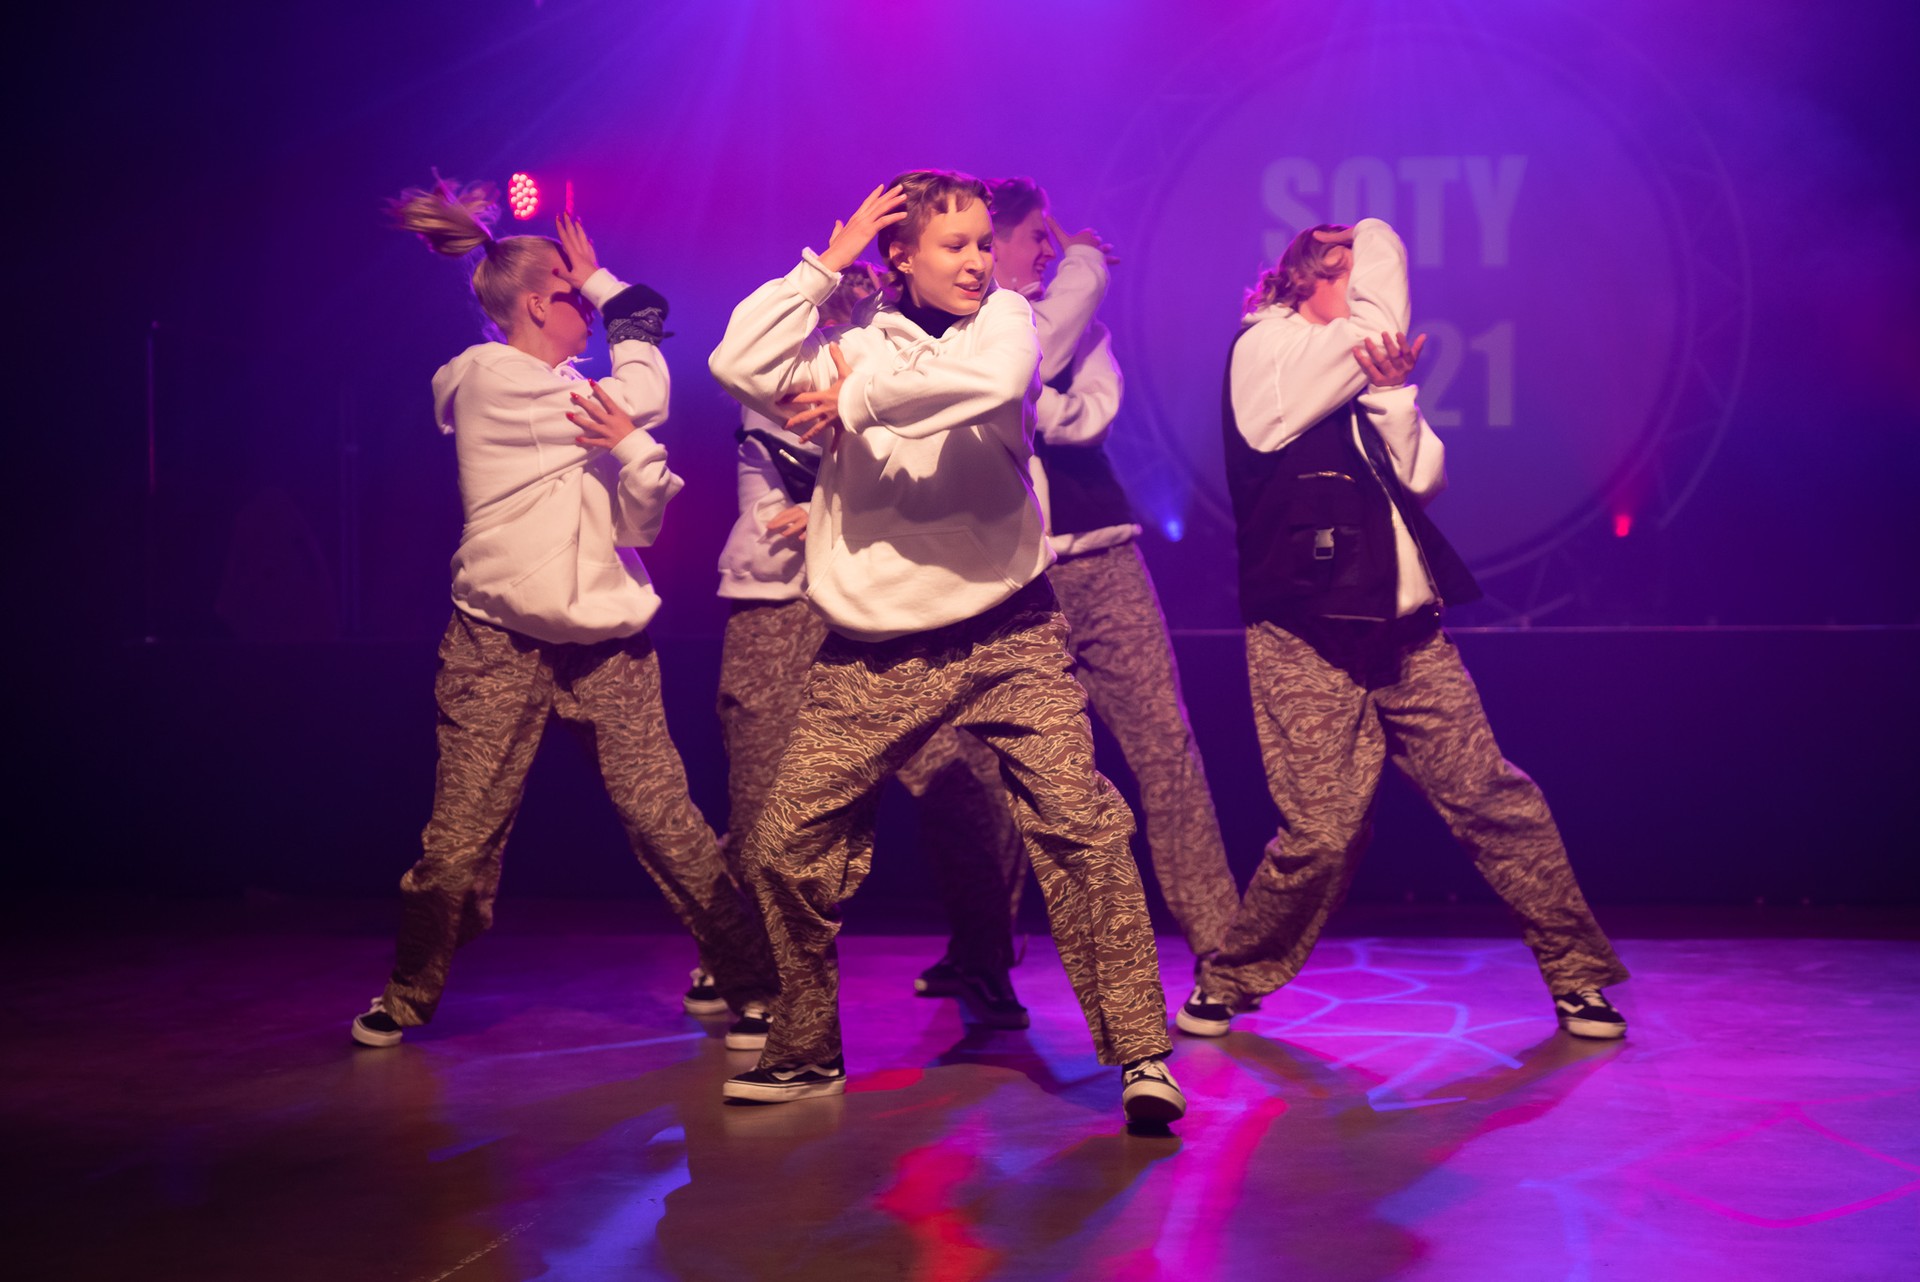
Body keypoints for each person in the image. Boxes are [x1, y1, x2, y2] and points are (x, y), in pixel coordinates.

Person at [708, 170, 1184, 1123]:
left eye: (982, 243)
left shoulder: (1004, 322)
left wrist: (853, 403)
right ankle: (805, 1051)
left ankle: (1142, 1056)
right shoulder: (849, 345)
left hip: (1009, 634)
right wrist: (826, 262)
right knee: (784, 844)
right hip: (874, 651)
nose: (977, 262)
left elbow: (995, 383)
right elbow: (736, 360)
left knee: (1084, 829)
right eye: (954, 245)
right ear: (900, 256)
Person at [350, 177, 774, 1050]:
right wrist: (614, 290)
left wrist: (636, 459)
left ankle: (753, 985)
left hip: (606, 647)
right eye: (576, 297)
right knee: (458, 842)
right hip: (497, 643)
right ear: (542, 305)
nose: (590, 311)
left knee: (668, 824)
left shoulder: (571, 399)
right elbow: (647, 388)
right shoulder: (493, 381)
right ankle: (409, 987)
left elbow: (632, 514)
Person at [1185, 218, 1630, 1042]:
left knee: (1495, 800)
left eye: (1365, 273)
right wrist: (1374, 234)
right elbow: (1315, 377)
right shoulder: (1268, 351)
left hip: (1408, 638)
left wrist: (1393, 398)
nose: (1368, 291)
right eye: (1347, 273)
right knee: (1322, 837)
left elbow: (1423, 477)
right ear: (1302, 279)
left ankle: (1578, 975)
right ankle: (1233, 975)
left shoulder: (1360, 376)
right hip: (1308, 640)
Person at [907, 177, 1238, 984]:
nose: (1048, 255)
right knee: (984, 767)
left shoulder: (1075, 327)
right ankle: (983, 954)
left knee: (1164, 746)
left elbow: (1089, 413)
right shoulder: (946, 330)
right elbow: (1022, 371)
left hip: (1101, 561)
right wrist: (1081, 269)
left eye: (1054, 245)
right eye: (1037, 238)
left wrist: (1024, 404)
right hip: (1006, 580)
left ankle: (1222, 946)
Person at [703, 262, 1030, 1035]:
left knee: (959, 785)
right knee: (763, 802)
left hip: (884, 607)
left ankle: (982, 959)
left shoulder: (890, 365)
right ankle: (752, 964)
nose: (843, 317)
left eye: (857, 303)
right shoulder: (785, 374)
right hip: (777, 608)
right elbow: (769, 466)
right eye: (830, 305)